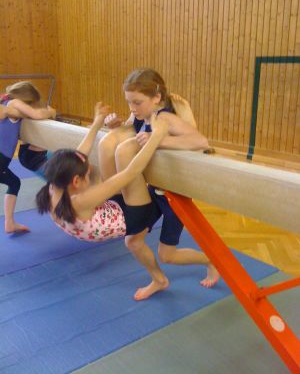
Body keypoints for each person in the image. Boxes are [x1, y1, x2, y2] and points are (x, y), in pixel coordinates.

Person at [99, 68, 219, 300]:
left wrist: (160, 141)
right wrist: (117, 125)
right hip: (154, 191)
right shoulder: (140, 117)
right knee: (133, 241)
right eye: (129, 102)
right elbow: (134, 137)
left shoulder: (164, 118)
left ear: (156, 98)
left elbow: (200, 140)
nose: (132, 108)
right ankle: (159, 280)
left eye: (137, 102)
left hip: (174, 197)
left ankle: (210, 259)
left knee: (167, 256)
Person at [36, 102, 170, 299]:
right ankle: (145, 137)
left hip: (110, 209)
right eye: (87, 176)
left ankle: (134, 126)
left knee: (105, 144)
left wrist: (97, 122)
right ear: (76, 181)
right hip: (133, 217)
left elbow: (79, 155)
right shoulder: (80, 200)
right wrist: (156, 137)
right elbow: (130, 173)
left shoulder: (53, 185)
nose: (90, 177)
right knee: (124, 155)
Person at [0, 81, 56, 233]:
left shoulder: (5, 103)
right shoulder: (15, 103)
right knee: (14, 183)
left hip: (2, 162)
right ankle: (9, 223)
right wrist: (51, 112)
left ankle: (9, 223)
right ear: (27, 100)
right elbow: (38, 114)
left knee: (14, 183)